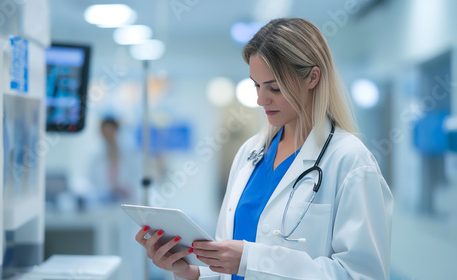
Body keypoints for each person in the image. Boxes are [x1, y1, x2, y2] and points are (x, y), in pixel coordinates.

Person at [135, 18, 393, 280]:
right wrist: (191, 271)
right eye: (256, 85)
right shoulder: (251, 152)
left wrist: (252, 260)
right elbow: (229, 265)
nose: (260, 99)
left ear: (312, 77)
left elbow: (361, 275)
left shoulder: (350, 161)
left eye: (274, 87)